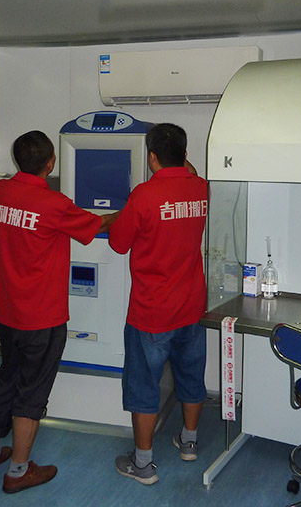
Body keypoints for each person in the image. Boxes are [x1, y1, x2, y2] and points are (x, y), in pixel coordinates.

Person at [0, 130, 117, 494]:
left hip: (7, 311)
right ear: (51, 163)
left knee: (7, 377)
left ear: (17, 159)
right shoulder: (53, 204)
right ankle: (19, 471)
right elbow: (96, 224)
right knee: (32, 393)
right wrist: (129, 209)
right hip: (42, 317)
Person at [108, 123, 208, 485]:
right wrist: (181, 163)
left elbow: (118, 243)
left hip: (151, 312)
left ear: (151, 157)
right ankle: (189, 442)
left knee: (144, 387)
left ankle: (143, 464)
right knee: (191, 377)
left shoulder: (144, 195)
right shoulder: (200, 188)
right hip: (192, 306)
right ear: (185, 154)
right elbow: (190, 172)